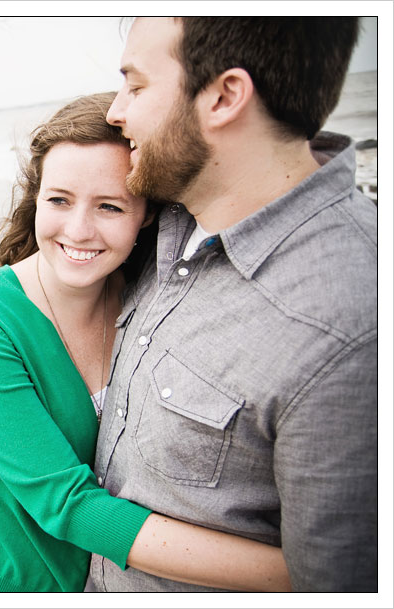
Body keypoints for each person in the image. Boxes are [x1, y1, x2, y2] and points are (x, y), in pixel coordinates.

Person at [0, 92, 292, 592]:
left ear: (145, 214)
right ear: (36, 198)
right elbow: (66, 504)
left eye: (110, 206)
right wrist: (303, 573)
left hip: (97, 580)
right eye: (58, 200)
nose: (78, 230)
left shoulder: (150, 297)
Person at [86, 17, 377, 592]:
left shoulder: (350, 326)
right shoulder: (166, 218)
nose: (116, 112)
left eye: (137, 86)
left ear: (223, 97)